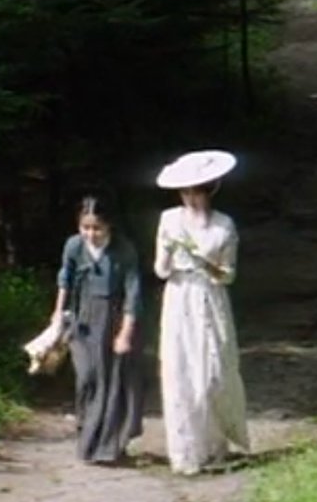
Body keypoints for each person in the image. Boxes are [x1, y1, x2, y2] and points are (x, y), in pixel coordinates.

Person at [152, 150, 249, 475]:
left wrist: (207, 263)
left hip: (209, 296)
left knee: (212, 370)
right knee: (181, 371)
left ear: (209, 191)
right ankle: (186, 451)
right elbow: (160, 271)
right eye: (185, 192)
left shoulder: (223, 225)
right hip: (179, 296)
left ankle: (216, 444)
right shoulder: (169, 220)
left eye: (197, 191)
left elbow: (229, 275)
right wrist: (167, 251)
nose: (191, 198)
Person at [51, 194, 144, 465]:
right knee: (87, 377)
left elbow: (133, 293)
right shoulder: (73, 246)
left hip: (114, 318)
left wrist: (125, 333)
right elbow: (65, 279)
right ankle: (87, 433)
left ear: (109, 226)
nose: (91, 234)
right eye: (85, 228)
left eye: (97, 228)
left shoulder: (124, 250)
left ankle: (110, 447)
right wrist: (58, 313)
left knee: (113, 380)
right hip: (82, 318)